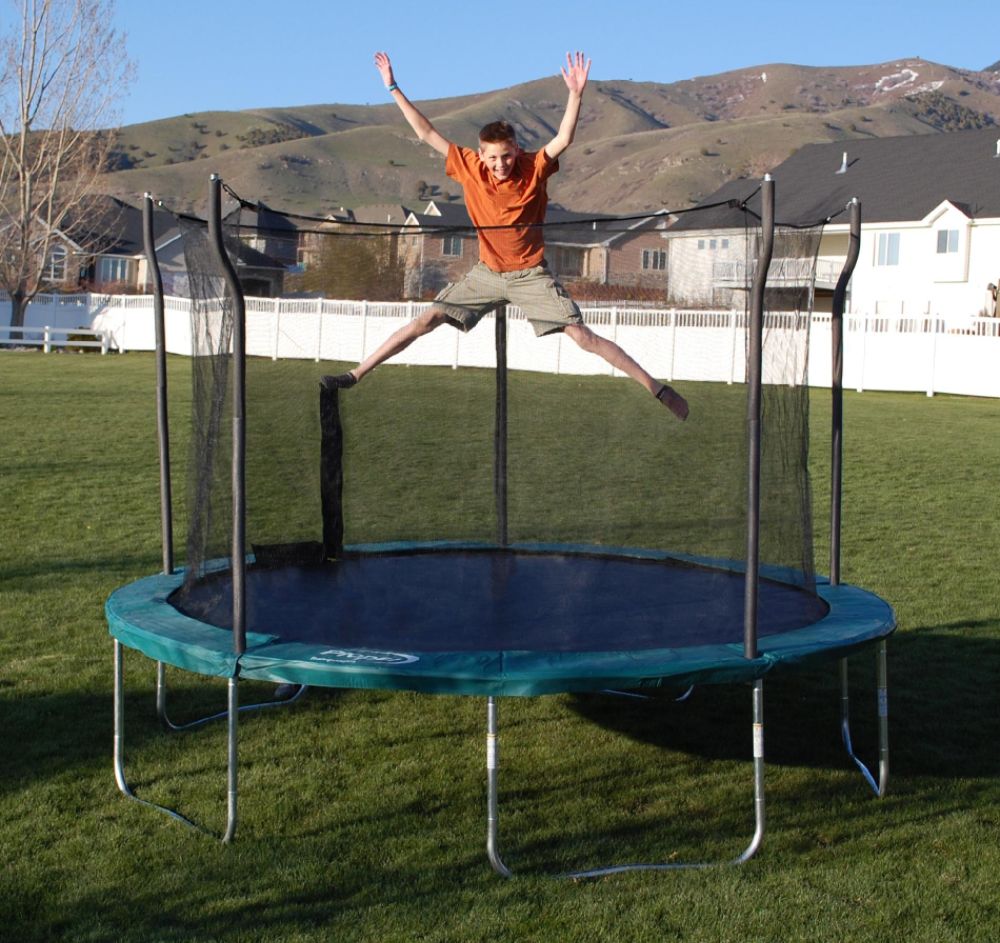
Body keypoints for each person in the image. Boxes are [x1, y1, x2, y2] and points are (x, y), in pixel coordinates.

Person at [323, 50, 689, 421]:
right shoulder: (468, 166)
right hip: (487, 273)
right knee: (425, 320)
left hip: (530, 274)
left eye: (507, 156)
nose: (501, 164)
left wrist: (576, 94)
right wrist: (393, 86)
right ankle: (355, 374)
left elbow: (563, 138)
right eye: (493, 158)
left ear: (516, 150)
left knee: (582, 336)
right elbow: (426, 132)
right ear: (481, 155)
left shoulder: (533, 168)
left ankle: (657, 389)